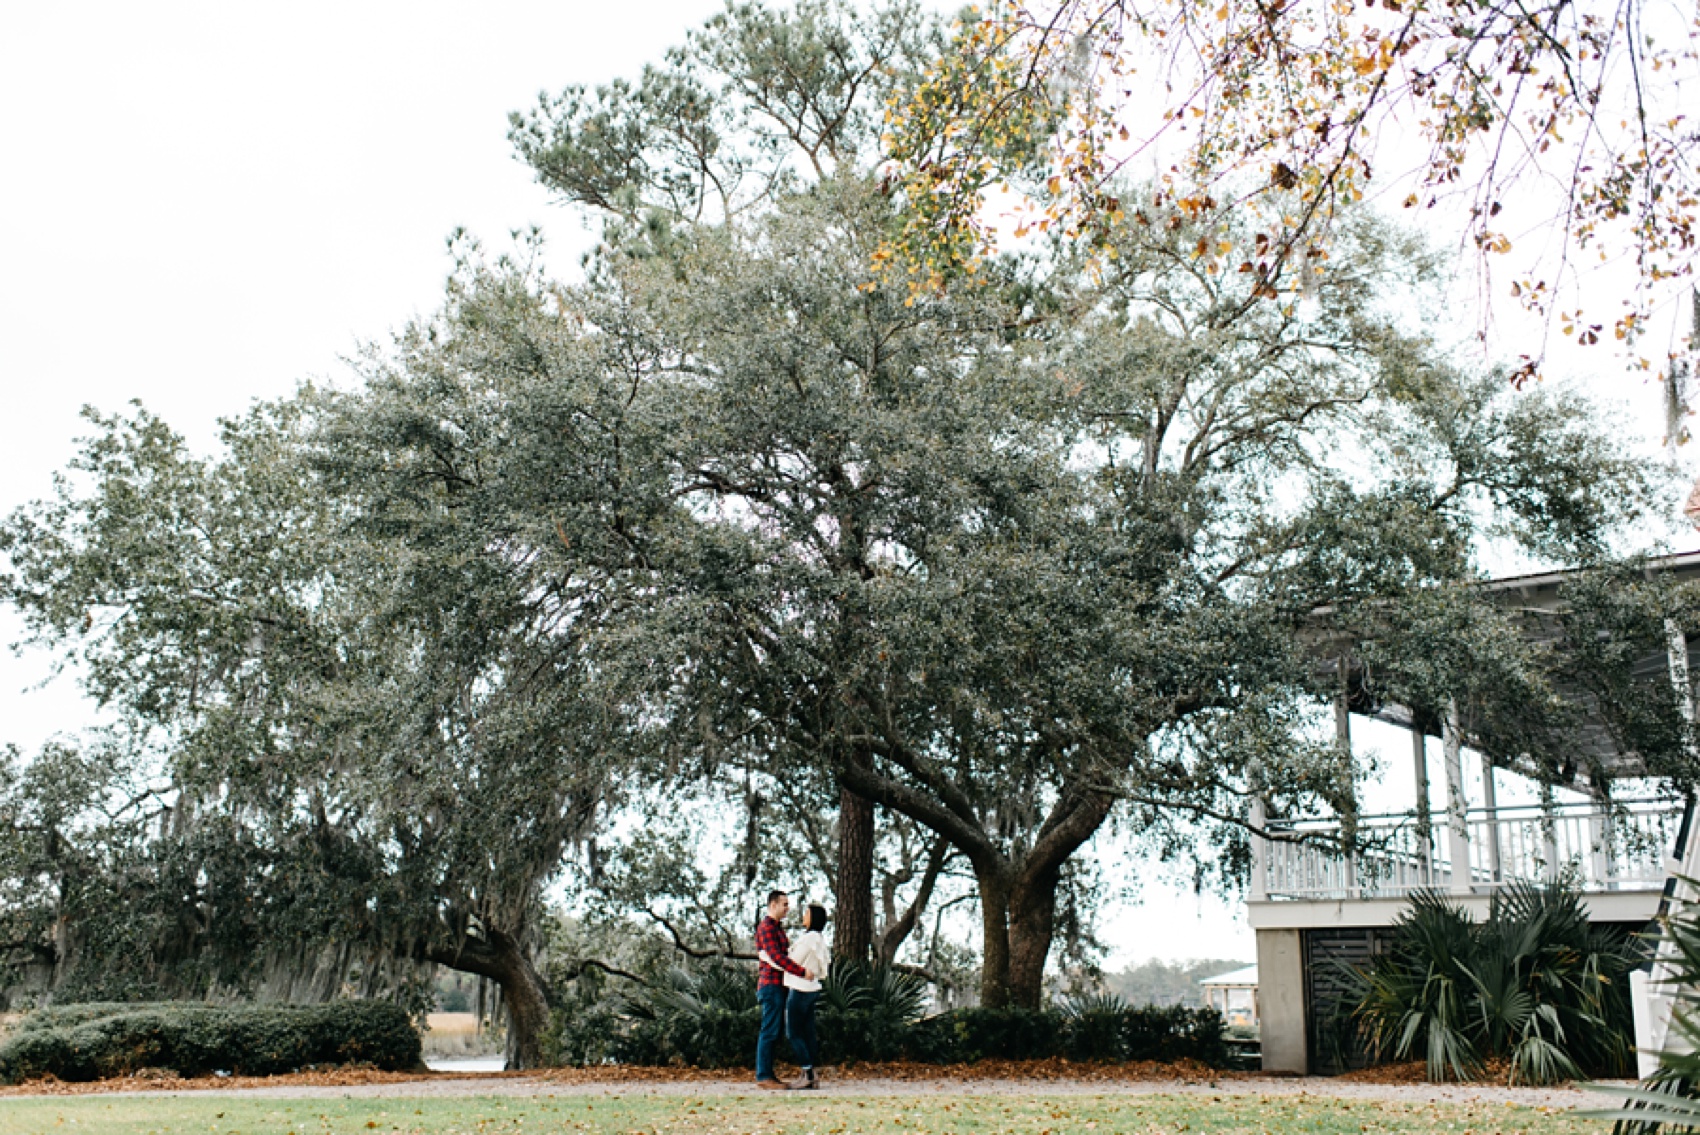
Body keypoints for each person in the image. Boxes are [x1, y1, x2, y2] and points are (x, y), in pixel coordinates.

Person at [753, 889, 813, 1090]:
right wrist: (801, 972)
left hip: (780, 985)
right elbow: (776, 958)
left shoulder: (777, 929)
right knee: (769, 1030)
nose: (788, 908)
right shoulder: (767, 928)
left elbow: (782, 955)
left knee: (775, 1031)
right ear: (773, 905)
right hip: (770, 986)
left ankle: (768, 1075)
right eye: (784, 904)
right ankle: (763, 1077)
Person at [783, 904, 830, 1090]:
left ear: (813, 918)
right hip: (812, 989)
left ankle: (808, 1072)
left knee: (793, 1032)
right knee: (808, 1032)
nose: (804, 916)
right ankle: (810, 1073)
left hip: (800, 989)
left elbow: (792, 962)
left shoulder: (809, 939)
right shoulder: (819, 940)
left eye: (807, 913)